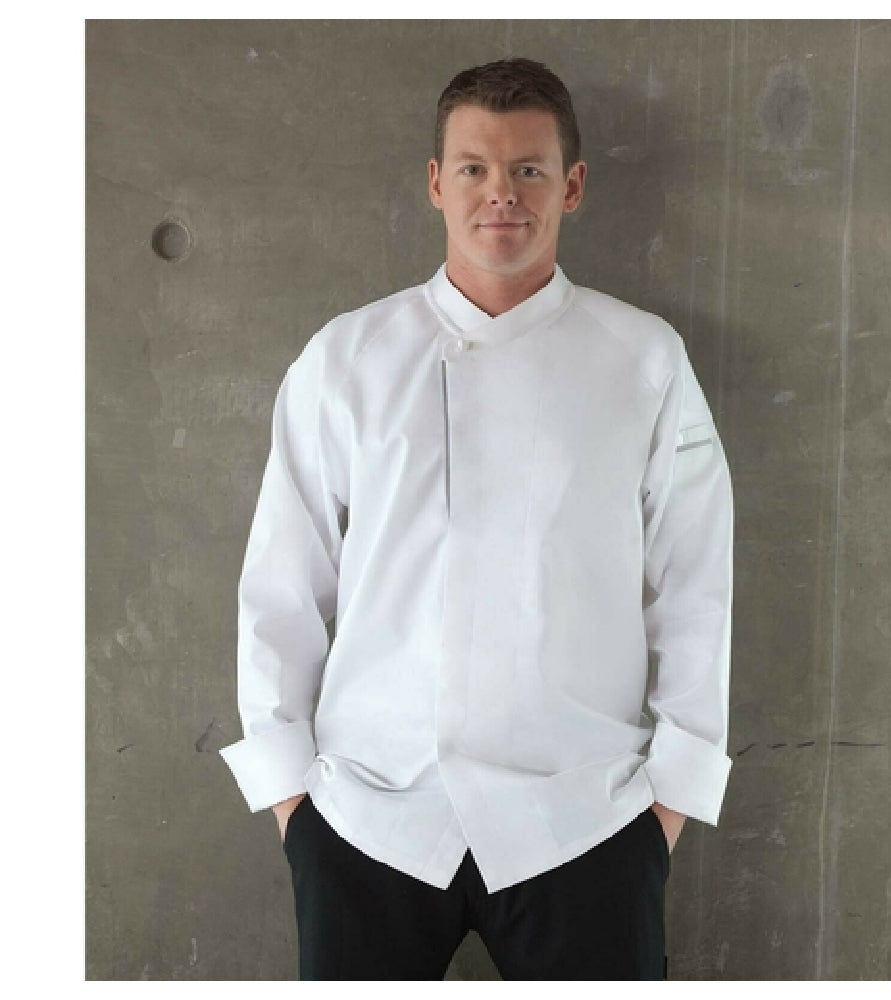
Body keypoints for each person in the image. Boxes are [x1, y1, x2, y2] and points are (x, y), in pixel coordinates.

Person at [220, 56, 733, 981]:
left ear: (571, 186)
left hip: (584, 818)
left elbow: (697, 582)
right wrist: (289, 797)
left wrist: (672, 800)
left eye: (529, 168)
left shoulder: (644, 360)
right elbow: (283, 582)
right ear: (436, 183)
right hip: (369, 817)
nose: (502, 193)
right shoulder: (347, 358)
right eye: (474, 168)